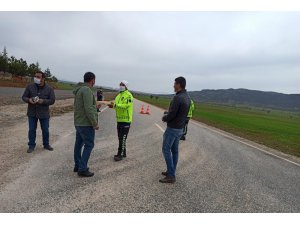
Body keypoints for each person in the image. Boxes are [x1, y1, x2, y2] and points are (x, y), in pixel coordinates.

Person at [160, 76, 190, 184]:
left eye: (175, 83)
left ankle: (171, 175)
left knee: (166, 149)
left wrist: (165, 117)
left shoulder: (178, 97)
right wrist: (169, 114)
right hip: (180, 128)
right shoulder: (187, 97)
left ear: (179, 84)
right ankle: (170, 171)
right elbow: (182, 113)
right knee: (175, 151)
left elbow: (173, 114)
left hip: (173, 128)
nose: (173, 85)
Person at [22, 71, 56, 153]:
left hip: (44, 113)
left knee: (45, 130)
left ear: (43, 78)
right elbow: (24, 97)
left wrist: (43, 101)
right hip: (32, 112)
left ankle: (46, 144)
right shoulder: (30, 86)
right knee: (32, 130)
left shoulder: (49, 89)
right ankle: (31, 145)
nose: (36, 78)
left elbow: (52, 100)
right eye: (35, 76)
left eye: (38, 77)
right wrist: (29, 100)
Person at [73, 72, 99, 177]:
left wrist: (95, 108)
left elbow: (85, 106)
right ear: (92, 80)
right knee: (89, 145)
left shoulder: (79, 90)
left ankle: (77, 165)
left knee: (78, 144)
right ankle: (82, 169)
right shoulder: (87, 90)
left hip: (78, 122)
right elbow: (88, 109)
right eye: (94, 80)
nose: (94, 82)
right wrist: (94, 123)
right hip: (85, 123)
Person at [108, 80, 133, 162]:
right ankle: (123, 152)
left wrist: (115, 105)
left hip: (126, 120)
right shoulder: (118, 96)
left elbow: (126, 106)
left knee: (123, 138)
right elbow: (117, 106)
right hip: (119, 120)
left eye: (123, 85)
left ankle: (120, 154)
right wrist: (113, 106)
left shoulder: (128, 95)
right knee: (120, 137)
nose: (121, 86)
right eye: (120, 84)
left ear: (126, 86)